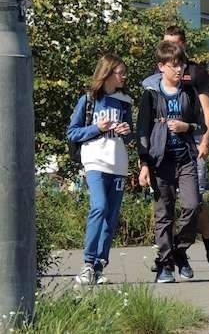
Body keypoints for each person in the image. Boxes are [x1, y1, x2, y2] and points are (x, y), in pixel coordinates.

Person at [142, 26, 209, 268]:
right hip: (163, 148)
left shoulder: (195, 73)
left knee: (195, 200)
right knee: (165, 206)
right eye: (165, 43)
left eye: (174, 43)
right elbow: (146, 120)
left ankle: (205, 240)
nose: (170, 48)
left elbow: (206, 111)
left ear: (184, 44)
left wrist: (204, 141)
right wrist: (144, 158)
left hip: (192, 141)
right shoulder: (156, 76)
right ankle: (170, 253)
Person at [137, 41, 207, 283]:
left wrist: (186, 126)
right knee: (164, 214)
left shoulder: (189, 92)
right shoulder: (151, 95)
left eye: (182, 65)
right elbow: (142, 131)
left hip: (186, 158)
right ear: (161, 67)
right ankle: (165, 264)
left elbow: (202, 125)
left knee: (192, 205)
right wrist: (144, 163)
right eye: (174, 66)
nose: (179, 70)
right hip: (160, 161)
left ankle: (179, 249)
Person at [67, 54, 133, 285]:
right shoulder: (88, 100)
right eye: (120, 72)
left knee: (111, 217)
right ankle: (87, 262)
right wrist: (97, 128)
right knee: (99, 207)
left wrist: (126, 131)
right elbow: (72, 132)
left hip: (118, 164)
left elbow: (130, 134)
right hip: (94, 161)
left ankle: (99, 266)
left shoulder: (125, 101)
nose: (124, 76)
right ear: (107, 73)